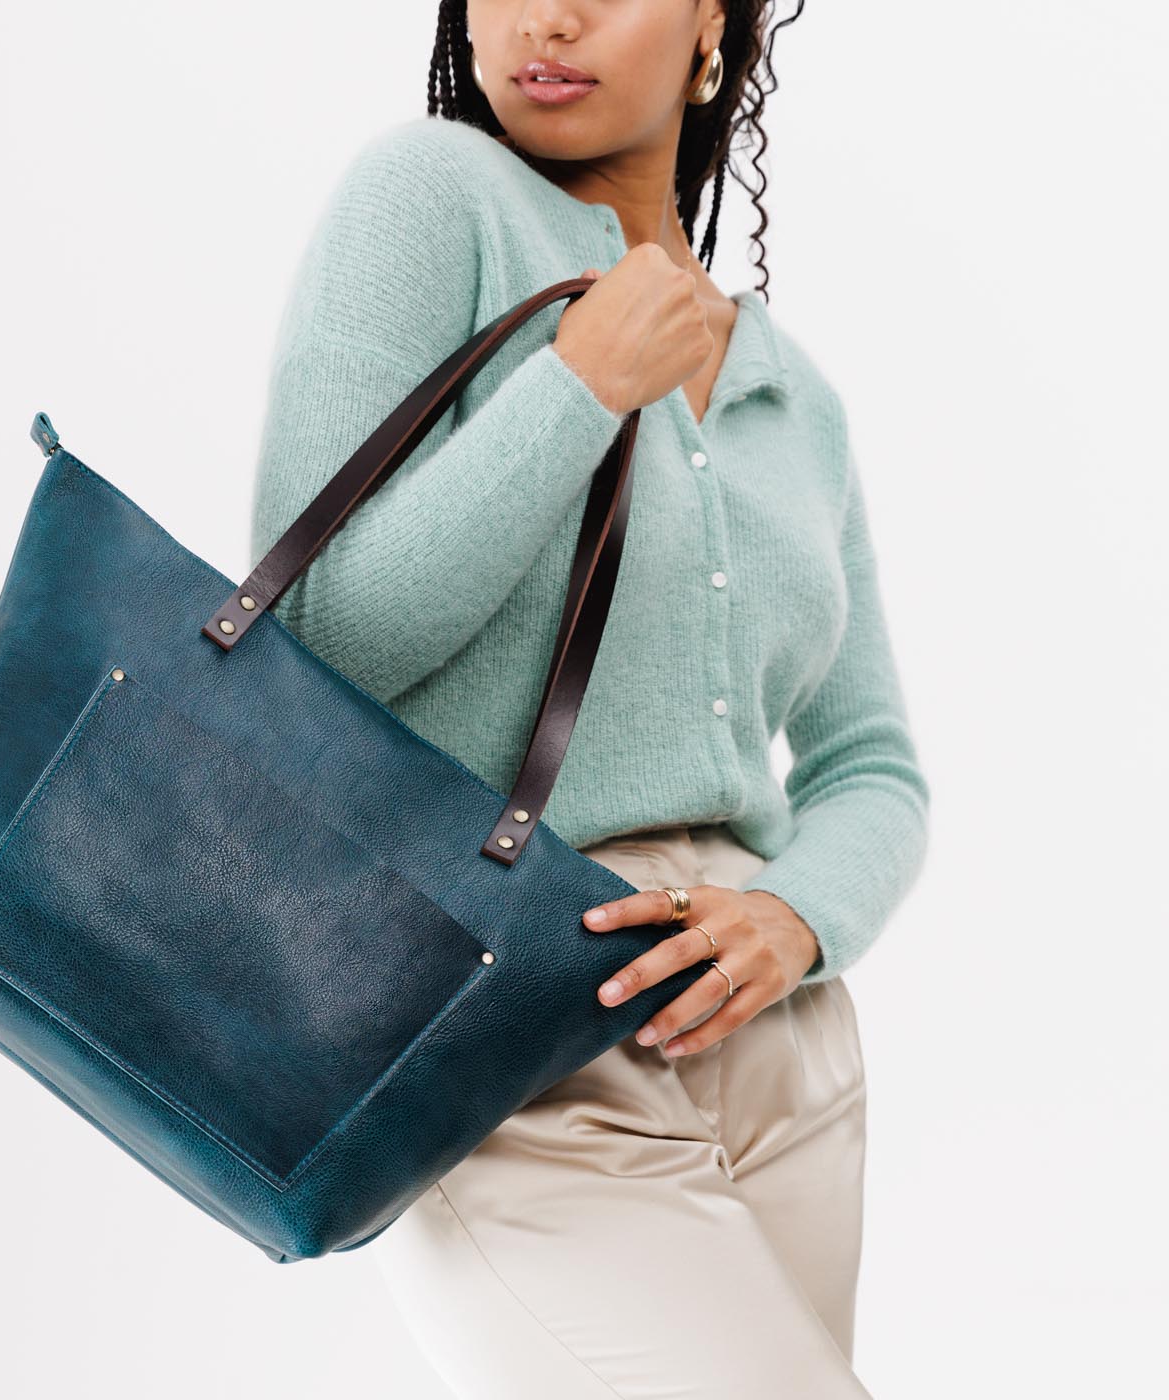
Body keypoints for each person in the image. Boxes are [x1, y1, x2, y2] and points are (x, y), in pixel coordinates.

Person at [248, 3, 929, 1394]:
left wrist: (797, 916)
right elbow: (312, 647)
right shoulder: (429, 199)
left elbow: (871, 764)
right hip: (510, 1031)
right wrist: (579, 386)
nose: (545, 17)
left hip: (782, 1051)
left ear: (712, 27)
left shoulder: (794, 396)